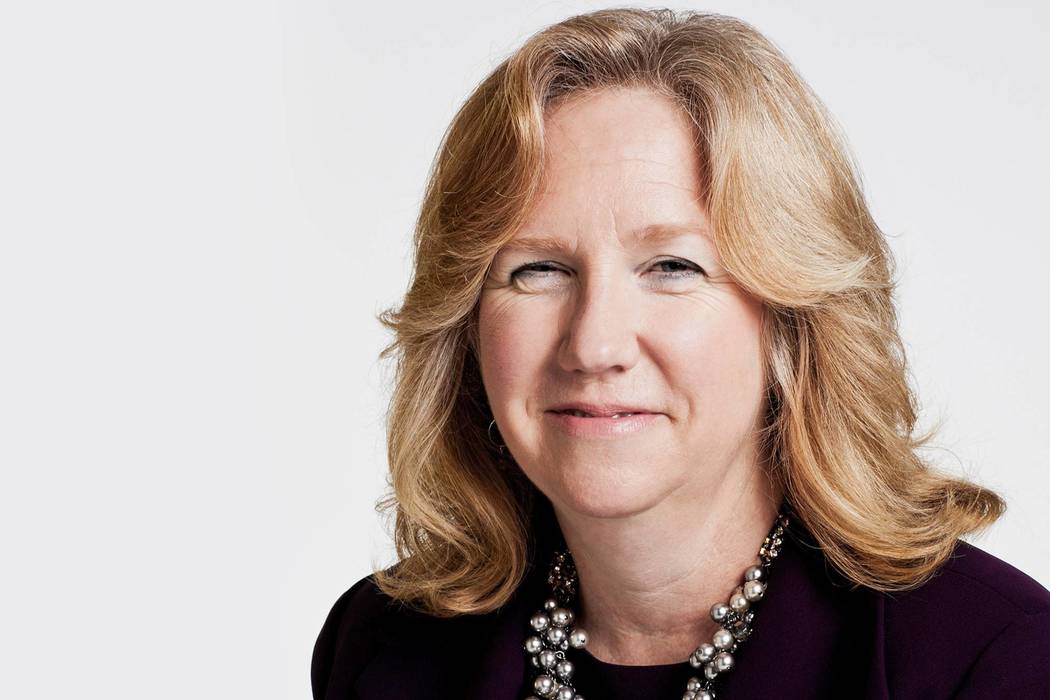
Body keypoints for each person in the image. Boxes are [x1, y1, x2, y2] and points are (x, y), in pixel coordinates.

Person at [312, 8, 1050, 699]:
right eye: (538, 269)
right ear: (465, 322)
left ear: (791, 321)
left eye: (672, 267)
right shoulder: (379, 648)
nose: (595, 345)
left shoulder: (994, 659)